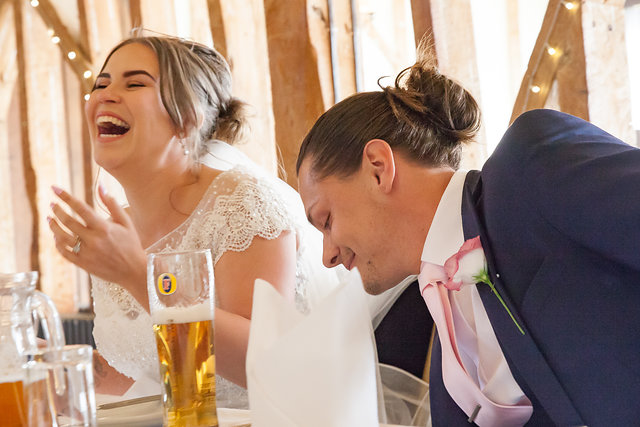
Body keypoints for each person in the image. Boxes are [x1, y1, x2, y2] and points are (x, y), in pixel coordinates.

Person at [296, 47, 640, 425]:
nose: (327, 256)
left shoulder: (530, 167)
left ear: (378, 168)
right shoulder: (442, 339)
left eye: (326, 220)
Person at [48, 34, 338, 407]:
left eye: (134, 84)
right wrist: (50, 363)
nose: (105, 96)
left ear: (187, 118)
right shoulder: (118, 232)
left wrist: (138, 276)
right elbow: (149, 376)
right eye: (100, 85)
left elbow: (265, 362)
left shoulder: (241, 204)